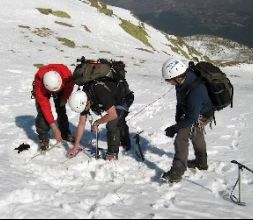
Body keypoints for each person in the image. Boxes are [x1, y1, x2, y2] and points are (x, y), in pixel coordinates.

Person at [161, 58, 214, 183]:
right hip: (195, 111)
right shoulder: (182, 80)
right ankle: (201, 162)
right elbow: (181, 101)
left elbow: (191, 118)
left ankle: (177, 172)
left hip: (202, 114)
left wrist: (175, 128)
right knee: (196, 134)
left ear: (177, 78)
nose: (169, 83)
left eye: (169, 81)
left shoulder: (196, 91)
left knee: (181, 138)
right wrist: (178, 117)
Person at [67, 78, 134, 161]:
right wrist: (75, 147)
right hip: (112, 99)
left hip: (124, 98)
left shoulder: (99, 91)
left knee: (112, 124)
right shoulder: (83, 96)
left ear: (87, 102)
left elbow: (113, 115)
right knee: (118, 121)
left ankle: (112, 153)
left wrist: (96, 123)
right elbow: (81, 123)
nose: (85, 110)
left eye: (84, 108)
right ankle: (123, 141)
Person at [32, 64, 75, 151]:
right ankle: (43, 138)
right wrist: (54, 127)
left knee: (61, 110)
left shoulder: (67, 75)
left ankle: (65, 133)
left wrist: (64, 97)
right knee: (43, 113)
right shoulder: (39, 84)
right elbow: (45, 107)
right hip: (43, 87)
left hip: (61, 87)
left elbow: (69, 86)